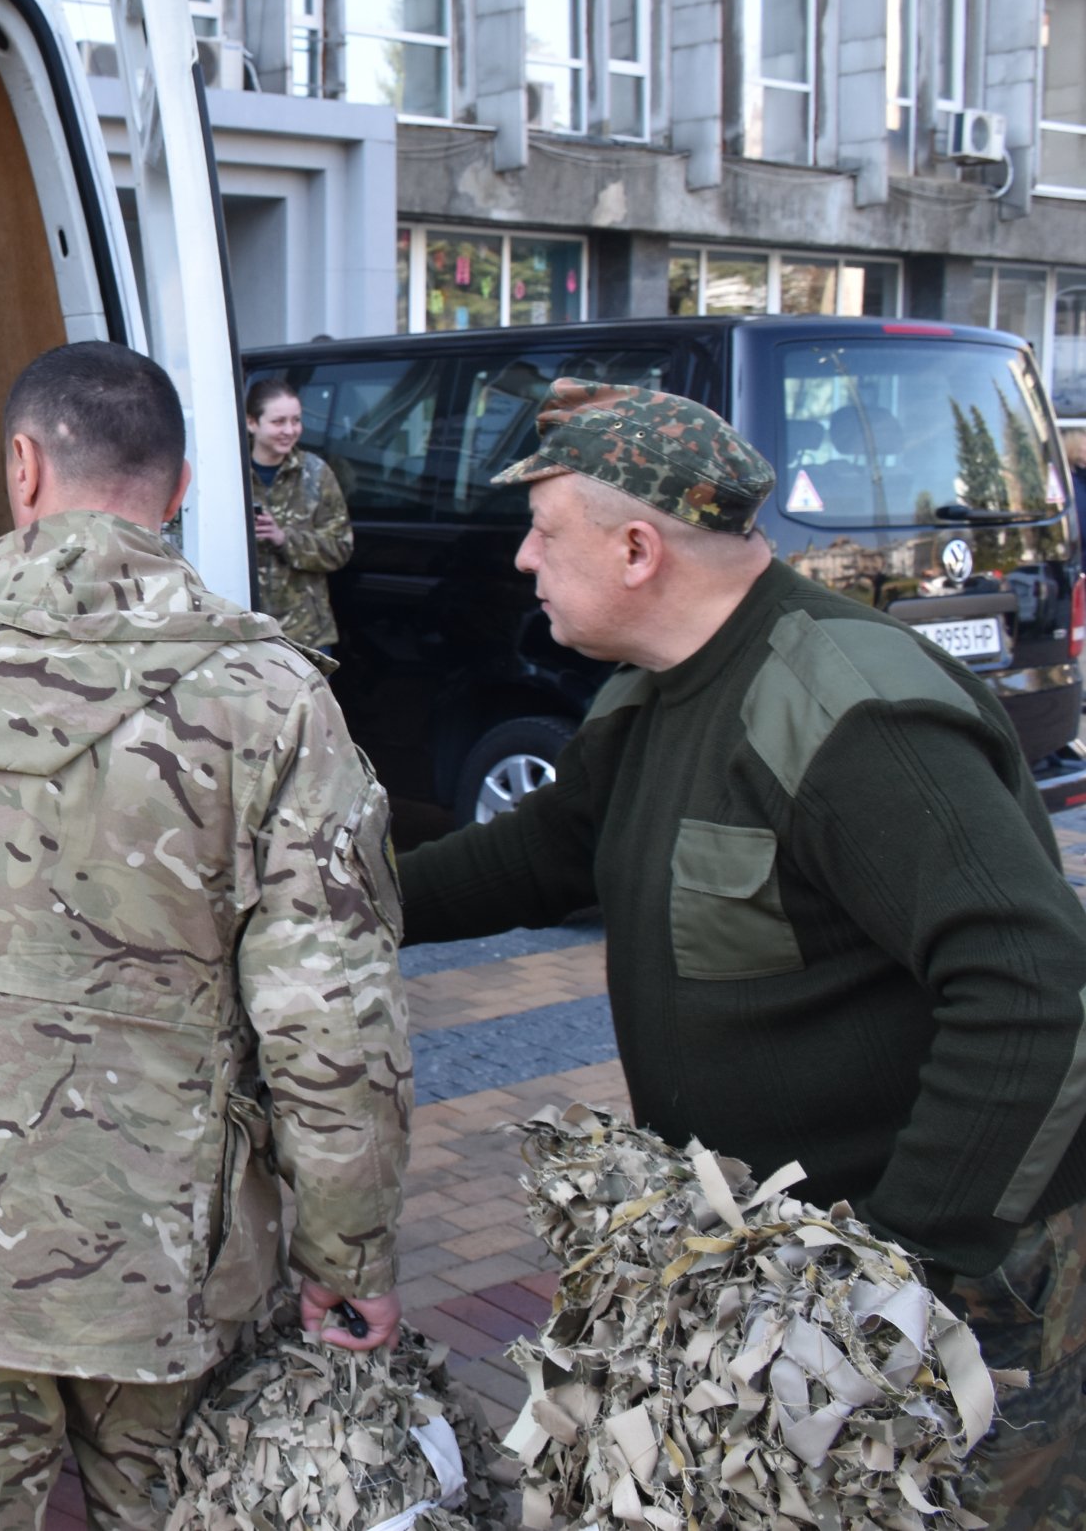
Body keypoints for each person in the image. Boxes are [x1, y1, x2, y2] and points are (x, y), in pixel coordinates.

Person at [396, 379, 1086, 1527]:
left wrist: (893, 1271)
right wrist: (326, 893)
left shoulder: (848, 713)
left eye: (541, 531)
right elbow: (544, 853)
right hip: (781, 1275)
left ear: (633, 548)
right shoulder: (653, 693)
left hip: (957, 1291)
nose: (521, 559)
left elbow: (1036, 986)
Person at [0, 342, 413, 1531]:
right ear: (183, 486)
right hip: (163, 1253)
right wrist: (345, 1260)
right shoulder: (270, 693)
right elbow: (331, 1020)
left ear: (22, 466)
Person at [242, 376, 351, 655]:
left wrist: (284, 539)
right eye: (279, 422)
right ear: (251, 422)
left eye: (296, 420)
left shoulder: (316, 474)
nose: (289, 430)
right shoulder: (230, 474)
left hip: (305, 635)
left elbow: (340, 547)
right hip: (243, 631)